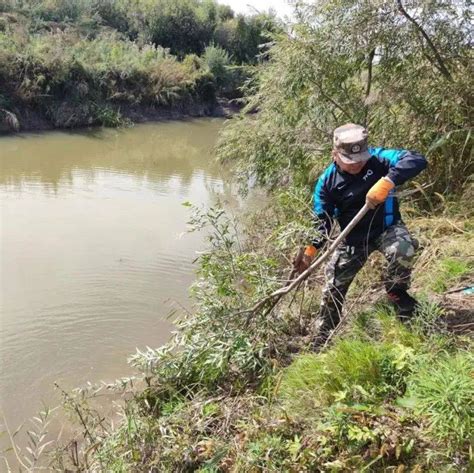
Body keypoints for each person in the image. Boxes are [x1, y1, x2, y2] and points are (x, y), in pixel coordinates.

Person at [295, 123, 427, 346]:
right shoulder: (326, 184)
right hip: (353, 240)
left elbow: (417, 159)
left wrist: (388, 180)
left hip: (387, 227)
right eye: (349, 161)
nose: (356, 164)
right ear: (334, 154)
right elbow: (321, 223)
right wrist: (309, 251)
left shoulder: (380, 159)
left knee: (403, 250)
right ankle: (323, 335)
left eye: (360, 159)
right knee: (333, 288)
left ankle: (397, 293)